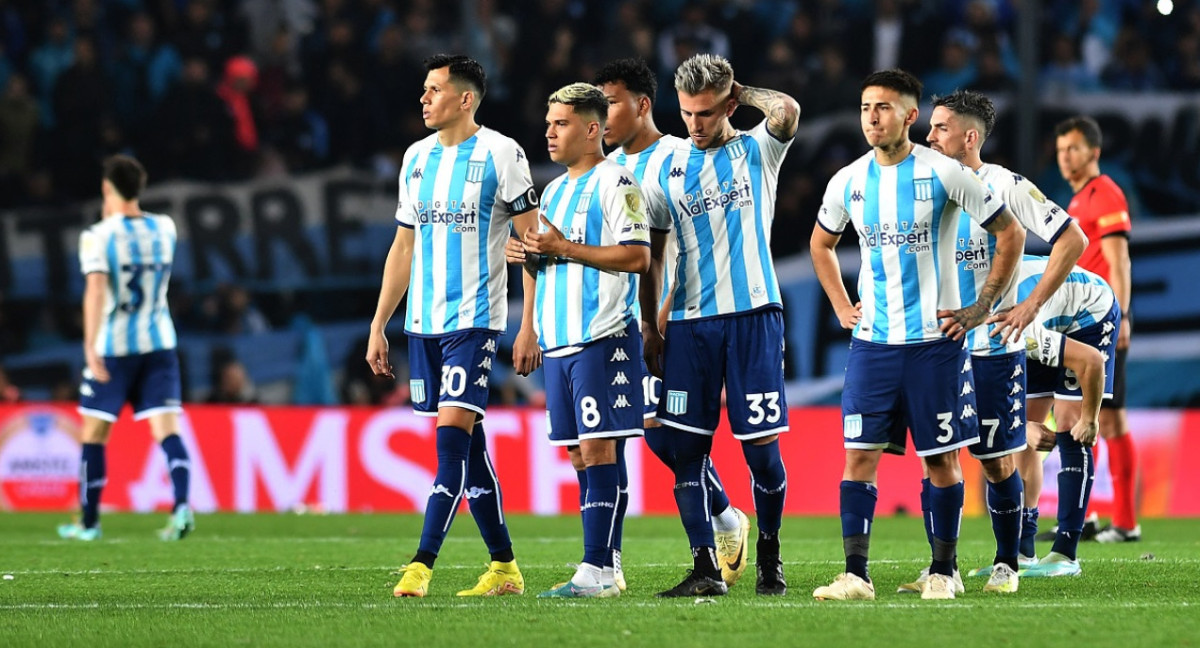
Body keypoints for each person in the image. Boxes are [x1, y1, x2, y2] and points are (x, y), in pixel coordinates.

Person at [809, 69, 1025, 601]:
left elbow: (1010, 233)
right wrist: (841, 305)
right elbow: (821, 244)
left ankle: (943, 572)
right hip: (873, 345)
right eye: (865, 107)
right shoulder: (848, 181)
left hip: (935, 345)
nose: (871, 117)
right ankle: (856, 575)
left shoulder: (945, 173)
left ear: (910, 116)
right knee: (859, 455)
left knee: (941, 461)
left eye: (883, 107)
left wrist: (981, 306)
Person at [368, 54, 540, 599]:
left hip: (475, 323)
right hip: (423, 325)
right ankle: (505, 567)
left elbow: (533, 244)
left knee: (449, 446)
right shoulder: (415, 159)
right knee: (470, 451)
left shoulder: (502, 154)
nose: (423, 98)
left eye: (434, 89)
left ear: (465, 99)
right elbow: (403, 246)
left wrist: (527, 325)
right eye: (423, 89)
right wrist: (380, 325)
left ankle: (421, 565)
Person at [912, 89, 1087, 594]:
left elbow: (1072, 238)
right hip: (935, 346)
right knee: (936, 456)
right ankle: (940, 566)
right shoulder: (925, 183)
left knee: (995, 460)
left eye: (940, 127)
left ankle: (1007, 563)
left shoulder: (1006, 185)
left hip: (991, 348)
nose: (929, 135)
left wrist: (1029, 308)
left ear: (970, 137)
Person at [593, 57, 751, 591]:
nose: (603, 112)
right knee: (618, 439)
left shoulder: (682, 155)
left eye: (611, 100)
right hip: (609, 319)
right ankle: (607, 561)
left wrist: (657, 318)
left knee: (665, 440)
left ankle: (724, 519)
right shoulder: (604, 167)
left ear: (641, 104)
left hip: (668, 317)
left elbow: (682, 247)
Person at [653, 53, 799, 598]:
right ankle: (705, 567)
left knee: (761, 451)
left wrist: (741, 87)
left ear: (730, 104)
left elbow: (786, 110)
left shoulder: (757, 150)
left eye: (707, 112)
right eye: (688, 112)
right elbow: (657, 245)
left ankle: (770, 553)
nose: (695, 123)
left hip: (754, 316)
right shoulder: (668, 166)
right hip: (691, 323)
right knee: (685, 451)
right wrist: (656, 317)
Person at [504, 82, 650, 598]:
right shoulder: (556, 190)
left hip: (602, 334)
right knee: (579, 455)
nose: (549, 131)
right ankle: (607, 566)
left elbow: (637, 257)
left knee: (599, 447)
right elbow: (543, 258)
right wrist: (528, 325)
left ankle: (595, 571)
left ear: (592, 129)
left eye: (560, 123)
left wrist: (564, 246)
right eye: (548, 123)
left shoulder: (618, 182)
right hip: (559, 340)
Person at [58, 154, 194, 542]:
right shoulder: (165, 227)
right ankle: (182, 506)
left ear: (106, 188)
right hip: (159, 342)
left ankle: (89, 523)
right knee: (167, 431)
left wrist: (88, 345)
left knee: (94, 434)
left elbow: (97, 288)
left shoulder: (98, 236)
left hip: (114, 347)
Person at [993, 255, 1120, 576]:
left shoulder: (1013, 326)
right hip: (1040, 317)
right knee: (1021, 439)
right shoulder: (974, 320)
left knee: (1068, 423)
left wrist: (1089, 419)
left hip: (1089, 315)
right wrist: (1022, 428)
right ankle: (1022, 550)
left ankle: (1066, 552)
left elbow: (1090, 361)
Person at [1053, 116, 1139, 543]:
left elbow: (1118, 259)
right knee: (1084, 414)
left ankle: (1125, 522)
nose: (1066, 156)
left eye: (1074, 148)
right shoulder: (1078, 200)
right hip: (1082, 321)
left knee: (1110, 419)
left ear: (1094, 152)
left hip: (1102, 321)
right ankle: (1084, 515)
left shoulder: (1104, 194)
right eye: (1061, 150)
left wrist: (1121, 315)